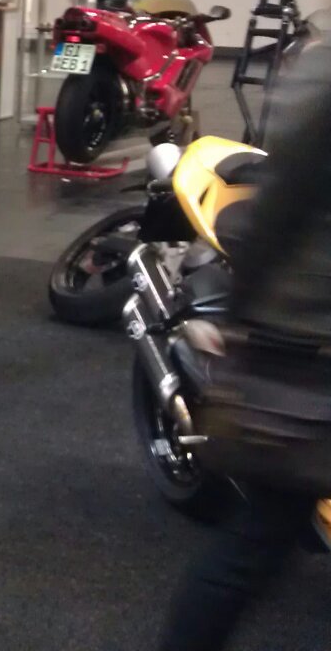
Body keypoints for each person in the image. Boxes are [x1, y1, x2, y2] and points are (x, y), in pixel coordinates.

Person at [155, 40, 331, 650]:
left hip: (300, 335)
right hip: (308, 342)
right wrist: (241, 323)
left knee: (259, 541)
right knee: (257, 542)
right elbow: (279, 207)